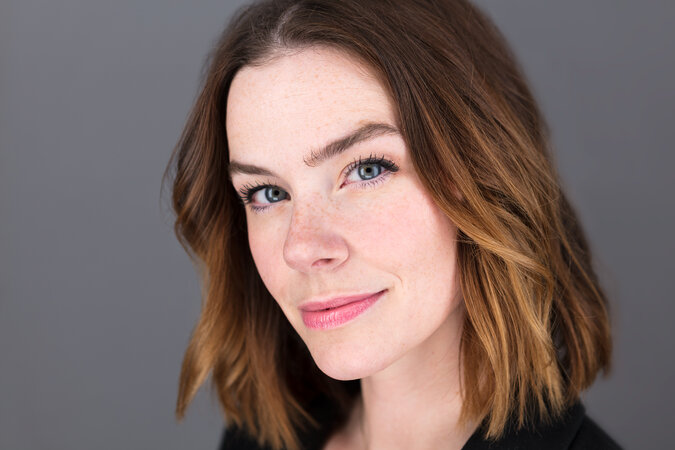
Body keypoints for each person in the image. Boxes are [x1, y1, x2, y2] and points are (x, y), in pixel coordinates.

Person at [163, 0, 622, 448]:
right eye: (268, 193)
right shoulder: (254, 441)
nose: (300, 248)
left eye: (366, 170)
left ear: (483, 173)